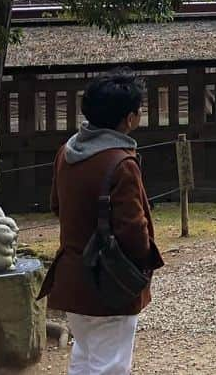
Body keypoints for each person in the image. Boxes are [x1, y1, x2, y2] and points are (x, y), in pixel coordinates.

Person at [39, 70, 164, 375]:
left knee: (85, 357)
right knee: (109, 366)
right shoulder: (121, 162)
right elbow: (133, 232)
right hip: (109, 282)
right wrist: (140, 266)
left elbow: (57, 205)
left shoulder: (66, 153)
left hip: (71, 277)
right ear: (128, 118)